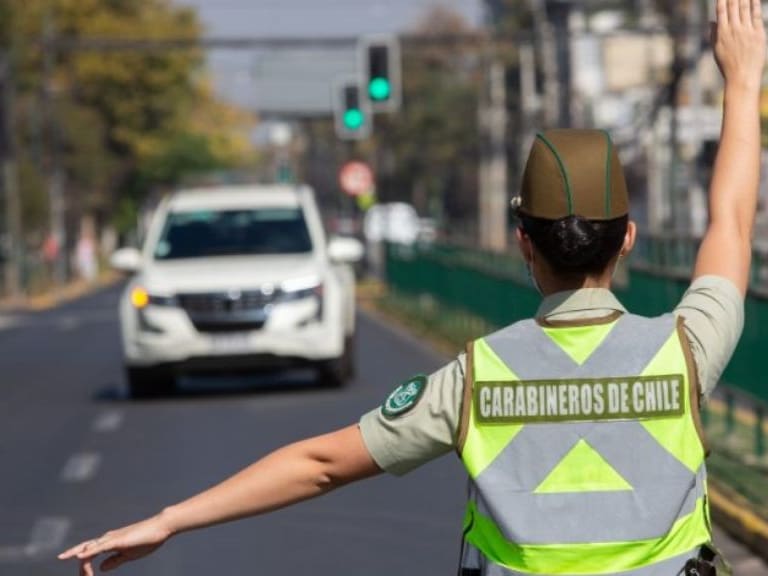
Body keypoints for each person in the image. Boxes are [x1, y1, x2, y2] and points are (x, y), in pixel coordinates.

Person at [60, 1, 765, 574]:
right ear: (628, 238)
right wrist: (743, 77)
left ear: (525, 244)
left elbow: (319, 465)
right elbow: (731, 219)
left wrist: (170, 520)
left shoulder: (477, 380)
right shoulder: (685, 350)